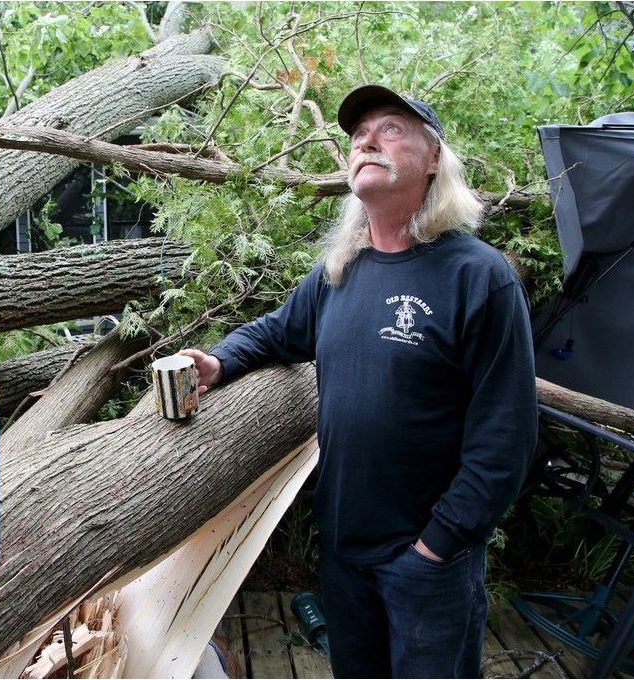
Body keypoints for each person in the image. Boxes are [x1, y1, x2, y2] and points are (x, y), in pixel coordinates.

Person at [180, 84, 538, 678]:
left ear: (433, 160)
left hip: (426, 561)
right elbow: (275, 333)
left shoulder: (478, 276)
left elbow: (507, 436)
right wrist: (219, 362)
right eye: (358, 134)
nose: (367, 140)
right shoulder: (340, 273)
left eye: (391, 128)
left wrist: (437, 547)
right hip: (345, 550)